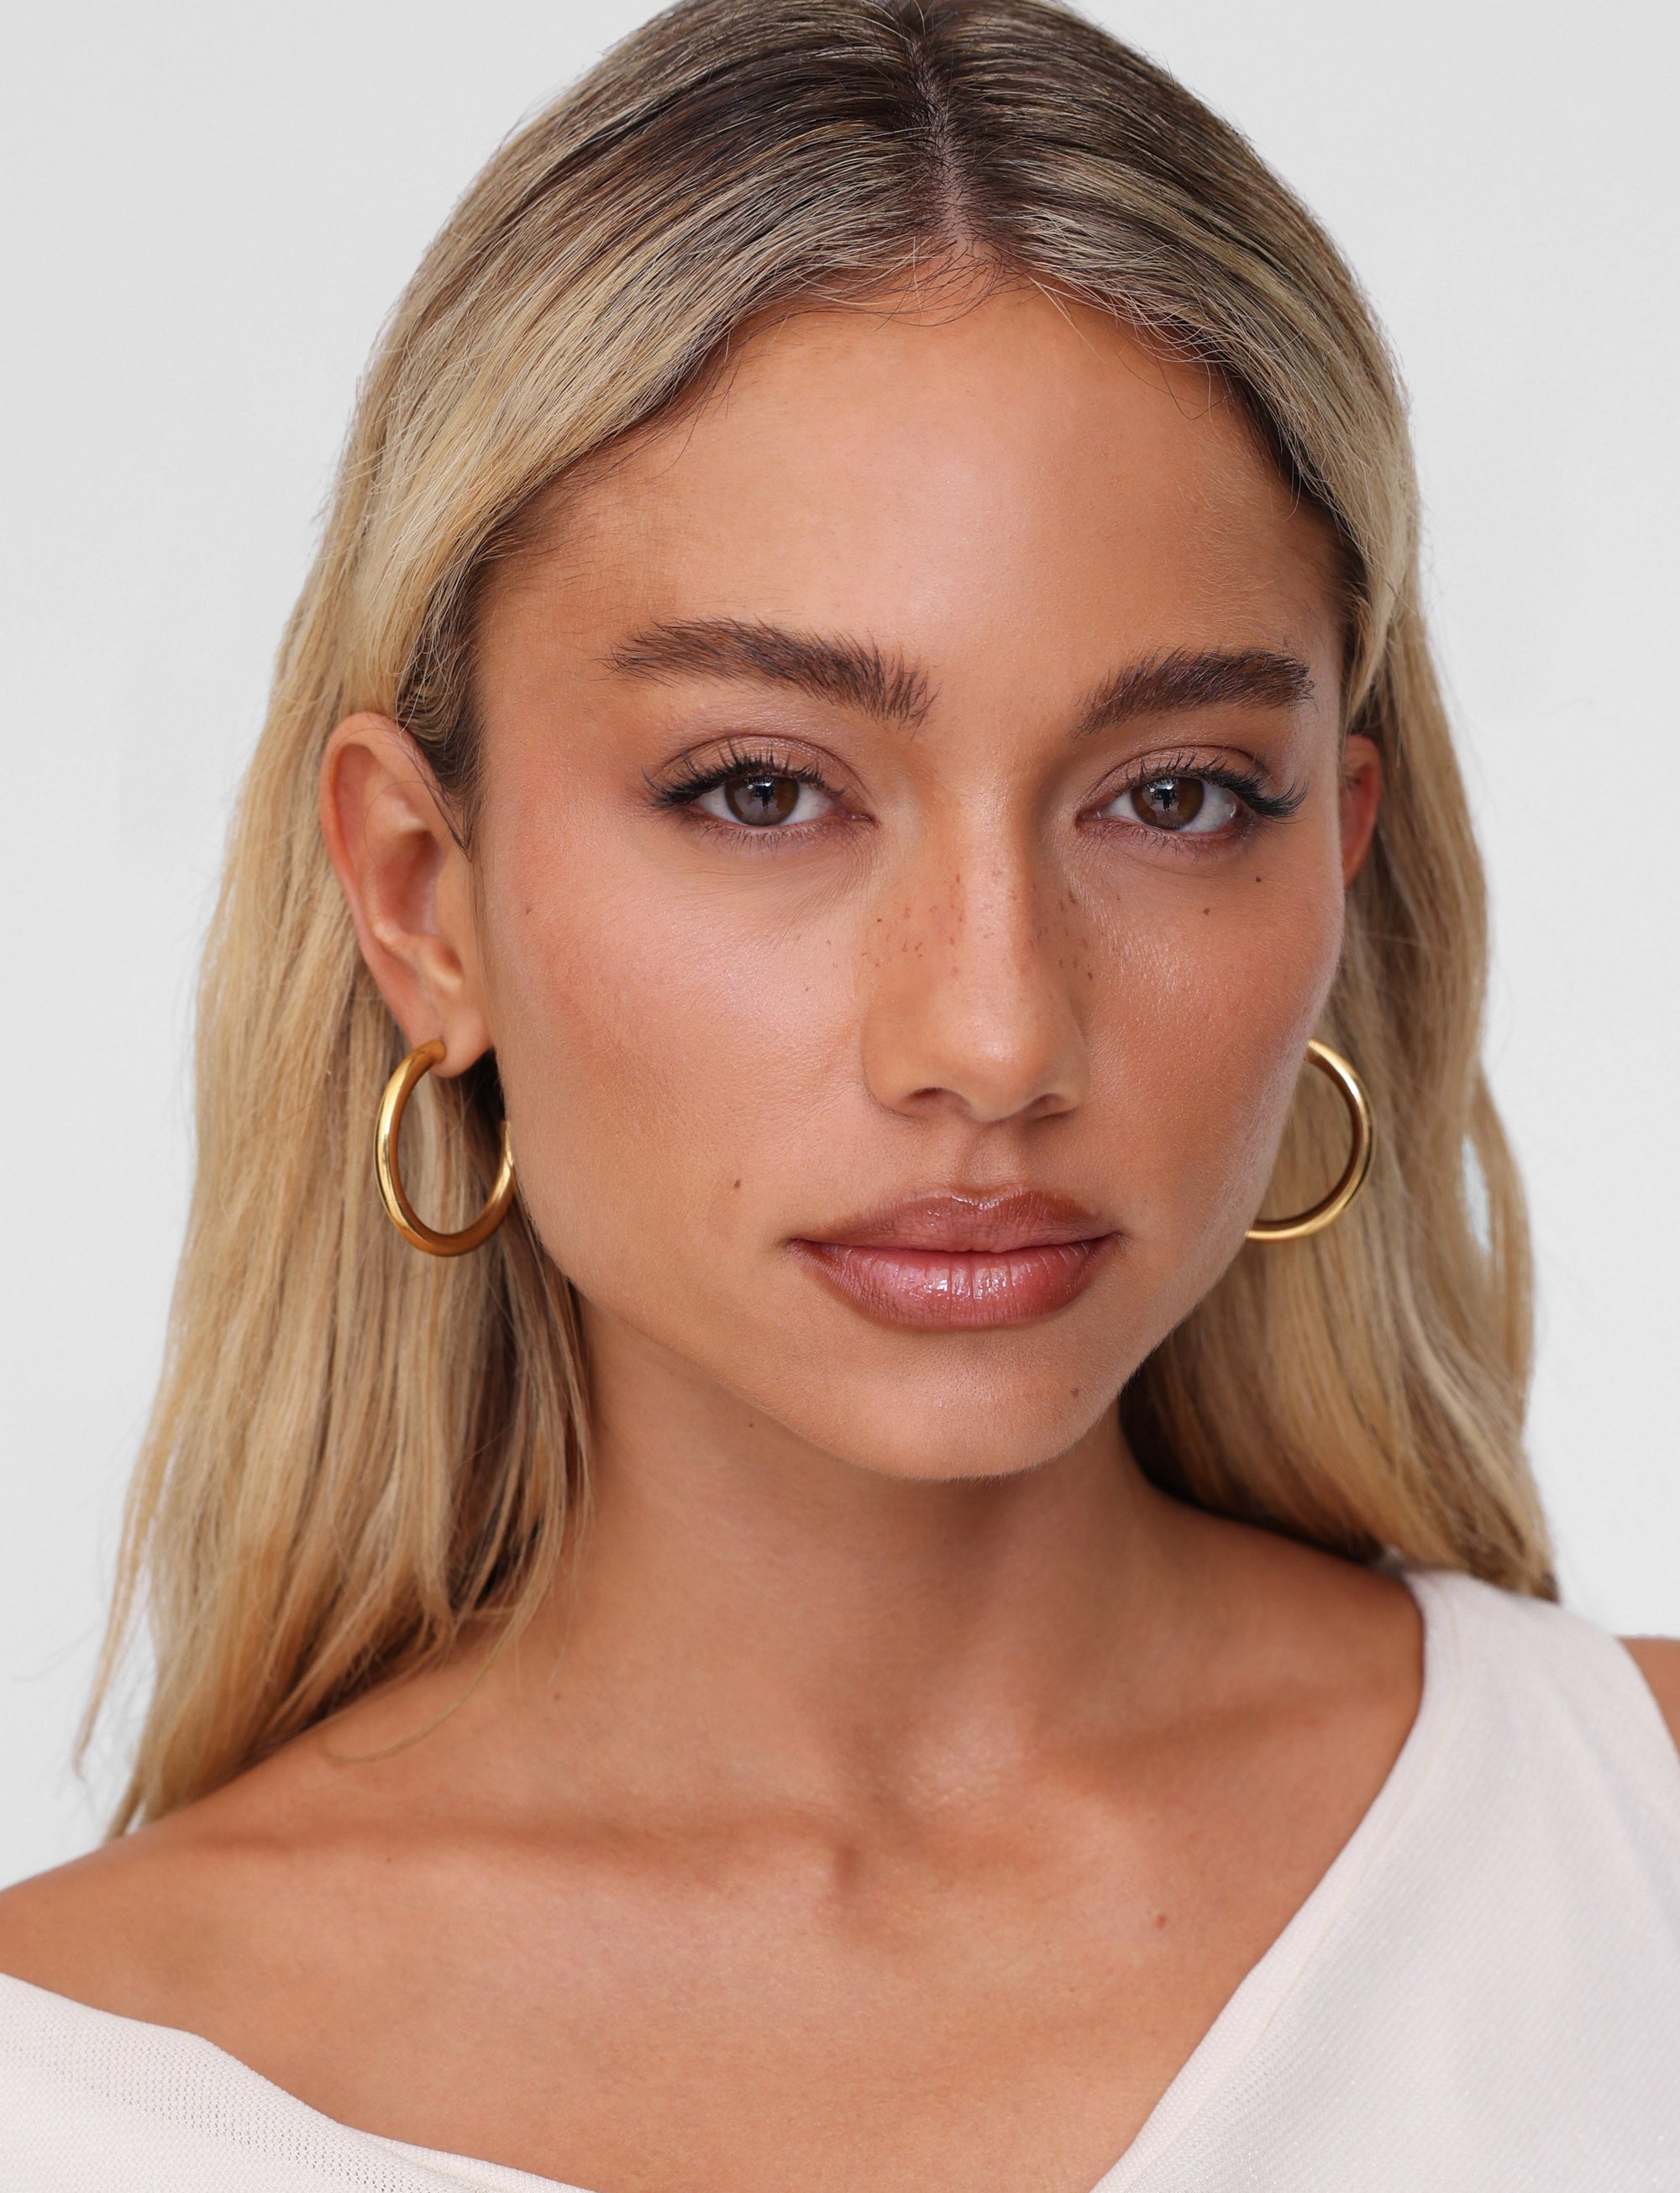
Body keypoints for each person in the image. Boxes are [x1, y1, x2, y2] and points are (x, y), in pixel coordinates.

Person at [3, 1, 1677, 2185]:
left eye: (1172, 793)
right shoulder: (80, 2091)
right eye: (764, 787)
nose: (992, 1034)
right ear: (425, 900)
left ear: (1335, 857)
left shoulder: (1632, 1849)